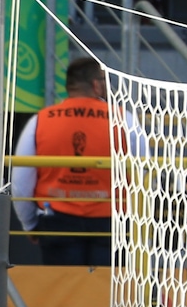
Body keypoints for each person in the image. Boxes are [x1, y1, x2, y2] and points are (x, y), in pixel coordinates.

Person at [11, 57, 115, 266]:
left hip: (56, 219)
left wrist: (30, 224)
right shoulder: (123, 119)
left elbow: (21, 182)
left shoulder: (40, 121)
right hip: (109, 220)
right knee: (107, 284)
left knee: (62, 283)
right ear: (96, 85)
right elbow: (144, 173)